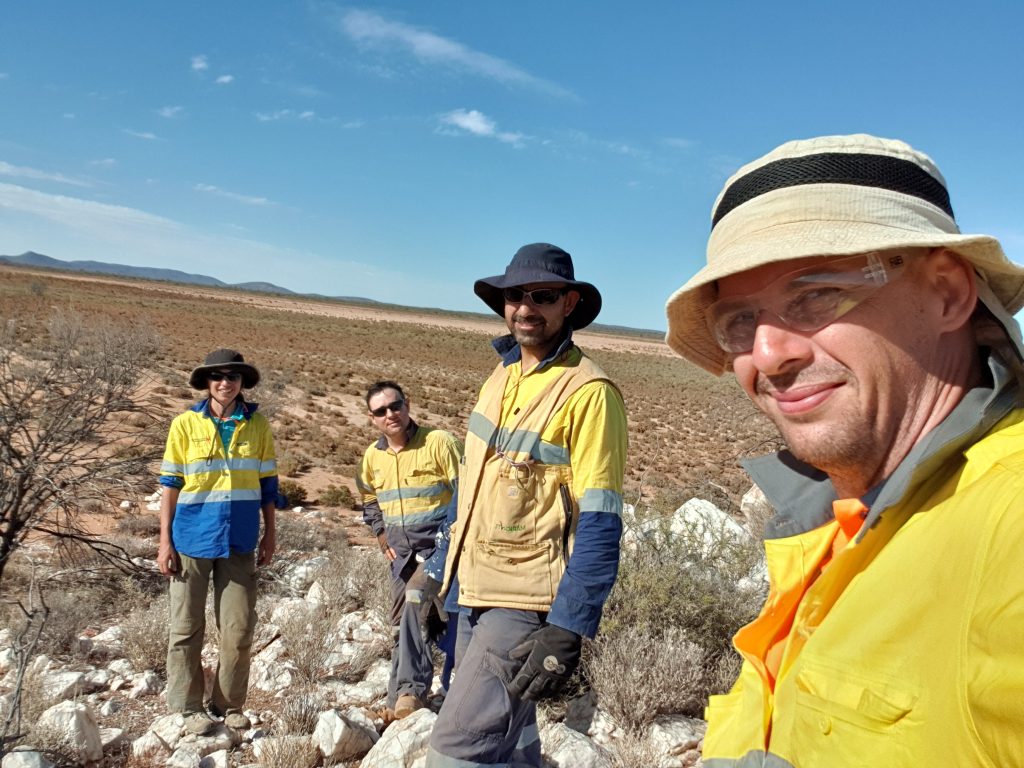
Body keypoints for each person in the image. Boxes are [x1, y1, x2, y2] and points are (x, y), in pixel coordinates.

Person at [664, 134, 1024, 767]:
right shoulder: (833, 519)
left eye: (817, 295)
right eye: (740, 322)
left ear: (946, 293)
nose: (769, 355)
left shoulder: (1009, 526)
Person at [426, 243, 628, 767]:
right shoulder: (500, 376)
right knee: (513, 740)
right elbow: (469, 489)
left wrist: (570, 624)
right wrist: (435, 572)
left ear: (570, 303)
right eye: (514, 295)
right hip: (471, 586)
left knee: (456, 747)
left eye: (542, 295)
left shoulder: (589, 392)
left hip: (526, 601)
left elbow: (602, 519)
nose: (524, 307)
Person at [158, 349, 278, 736]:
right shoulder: (184, 425)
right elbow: (170, 487)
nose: (225, 383)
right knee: (186, 627)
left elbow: (268, 486)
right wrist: (165, 543)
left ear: (243, 383)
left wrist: (270, 533)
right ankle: (189, 706)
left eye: (234, 377)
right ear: (206, 382)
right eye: (217, 376)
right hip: (191, 538)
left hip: (240, 540)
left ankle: (228, 704)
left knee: (239, 628)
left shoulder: (257, 425)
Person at [356, 381, 463, 719]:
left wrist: (450, 539)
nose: (391, 414)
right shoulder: (373, 457)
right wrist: (381, 534)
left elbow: (468, 493)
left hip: (438, 550)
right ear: (372, 418)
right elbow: (369, 497)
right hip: (400, 557)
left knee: (420, 604)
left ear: (407, 404)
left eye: (396, 405)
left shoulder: (439, 442)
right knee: (402, 622)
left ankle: (412, 694)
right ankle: (396, 703)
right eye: (381, 411)